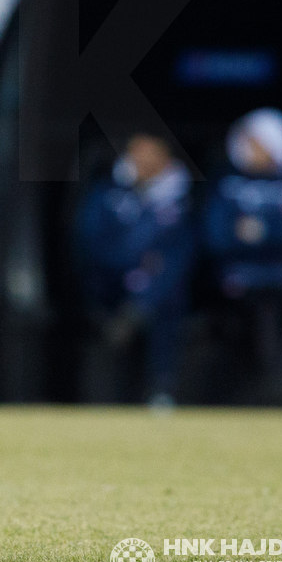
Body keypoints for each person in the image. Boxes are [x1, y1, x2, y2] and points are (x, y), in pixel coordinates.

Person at [203, 108, 282, 403]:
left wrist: (261, 230)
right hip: (241, 280)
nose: (250, 150)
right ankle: (272, 393)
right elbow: (217, 237)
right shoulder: (227, 183)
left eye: (258, 142)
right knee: (262, 320)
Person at [74, 134, 195, 406]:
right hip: (110, 291)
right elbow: (92, 244)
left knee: (164, 314)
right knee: (107, 331)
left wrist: (144, 300)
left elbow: (179, 258)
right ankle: (103, 399)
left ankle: (162, 392)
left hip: (159, 298)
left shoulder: (181, 201)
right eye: (137, 154)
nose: (143, 161)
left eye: (151, 154)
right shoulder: (107, 194)